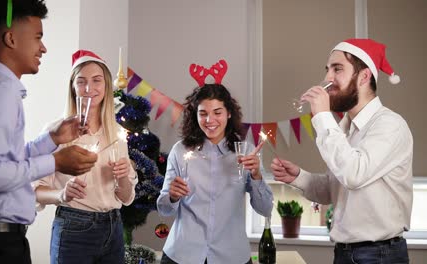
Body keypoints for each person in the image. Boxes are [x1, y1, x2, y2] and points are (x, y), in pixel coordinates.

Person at [0, 1, 98, 263]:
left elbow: (0, 163)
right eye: (38, 38)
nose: (43, 48)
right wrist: (56, 161)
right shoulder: (1, 90)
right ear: (11, 39)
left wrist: (52, 140)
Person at [270, 39, 413, 264]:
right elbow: (334, 189)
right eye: (327, 70)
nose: (328, 78)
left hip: (379, 256)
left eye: (337, 69)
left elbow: (353, 174)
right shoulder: (344, 128)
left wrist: (321, 116)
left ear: (364, 76)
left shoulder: (390, 125)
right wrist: (299, 177)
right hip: (344, 253)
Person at [157, 60, 273, 264]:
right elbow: (164, 209)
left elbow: (265, 209)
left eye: (217, 113)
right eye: (203, 113)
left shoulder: (245, 151)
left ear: (229, 113)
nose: (210, 120)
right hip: (182, 255)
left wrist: (256, 176)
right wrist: (173, 197)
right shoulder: (180, 151)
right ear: (195, 115)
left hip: (231, 256)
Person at [34, 49, 138, 264]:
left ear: (106, 86)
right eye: (81, 81)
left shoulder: (117, 133)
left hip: (113, 229)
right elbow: (34, 190)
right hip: (74, 230)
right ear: (72, 87)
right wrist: (62, 194)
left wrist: (122, 177)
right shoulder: (56, 132)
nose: (89, 88)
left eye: (96, 80)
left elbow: (125, 197)